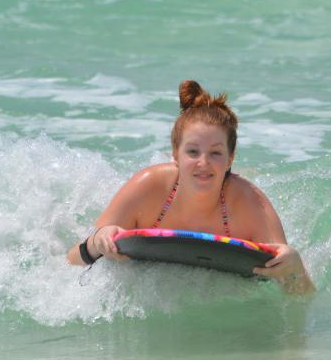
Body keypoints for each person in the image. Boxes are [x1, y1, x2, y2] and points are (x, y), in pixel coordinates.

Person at [67, 80, 314, 295]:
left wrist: (296, 266)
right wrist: (96, 241)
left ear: (231, 158)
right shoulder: (147, 187)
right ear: (175, 154)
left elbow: (299, 295)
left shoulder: (252, 203)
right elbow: (72, 261)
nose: (203, 163)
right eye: (193, 151)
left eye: (216, 153)